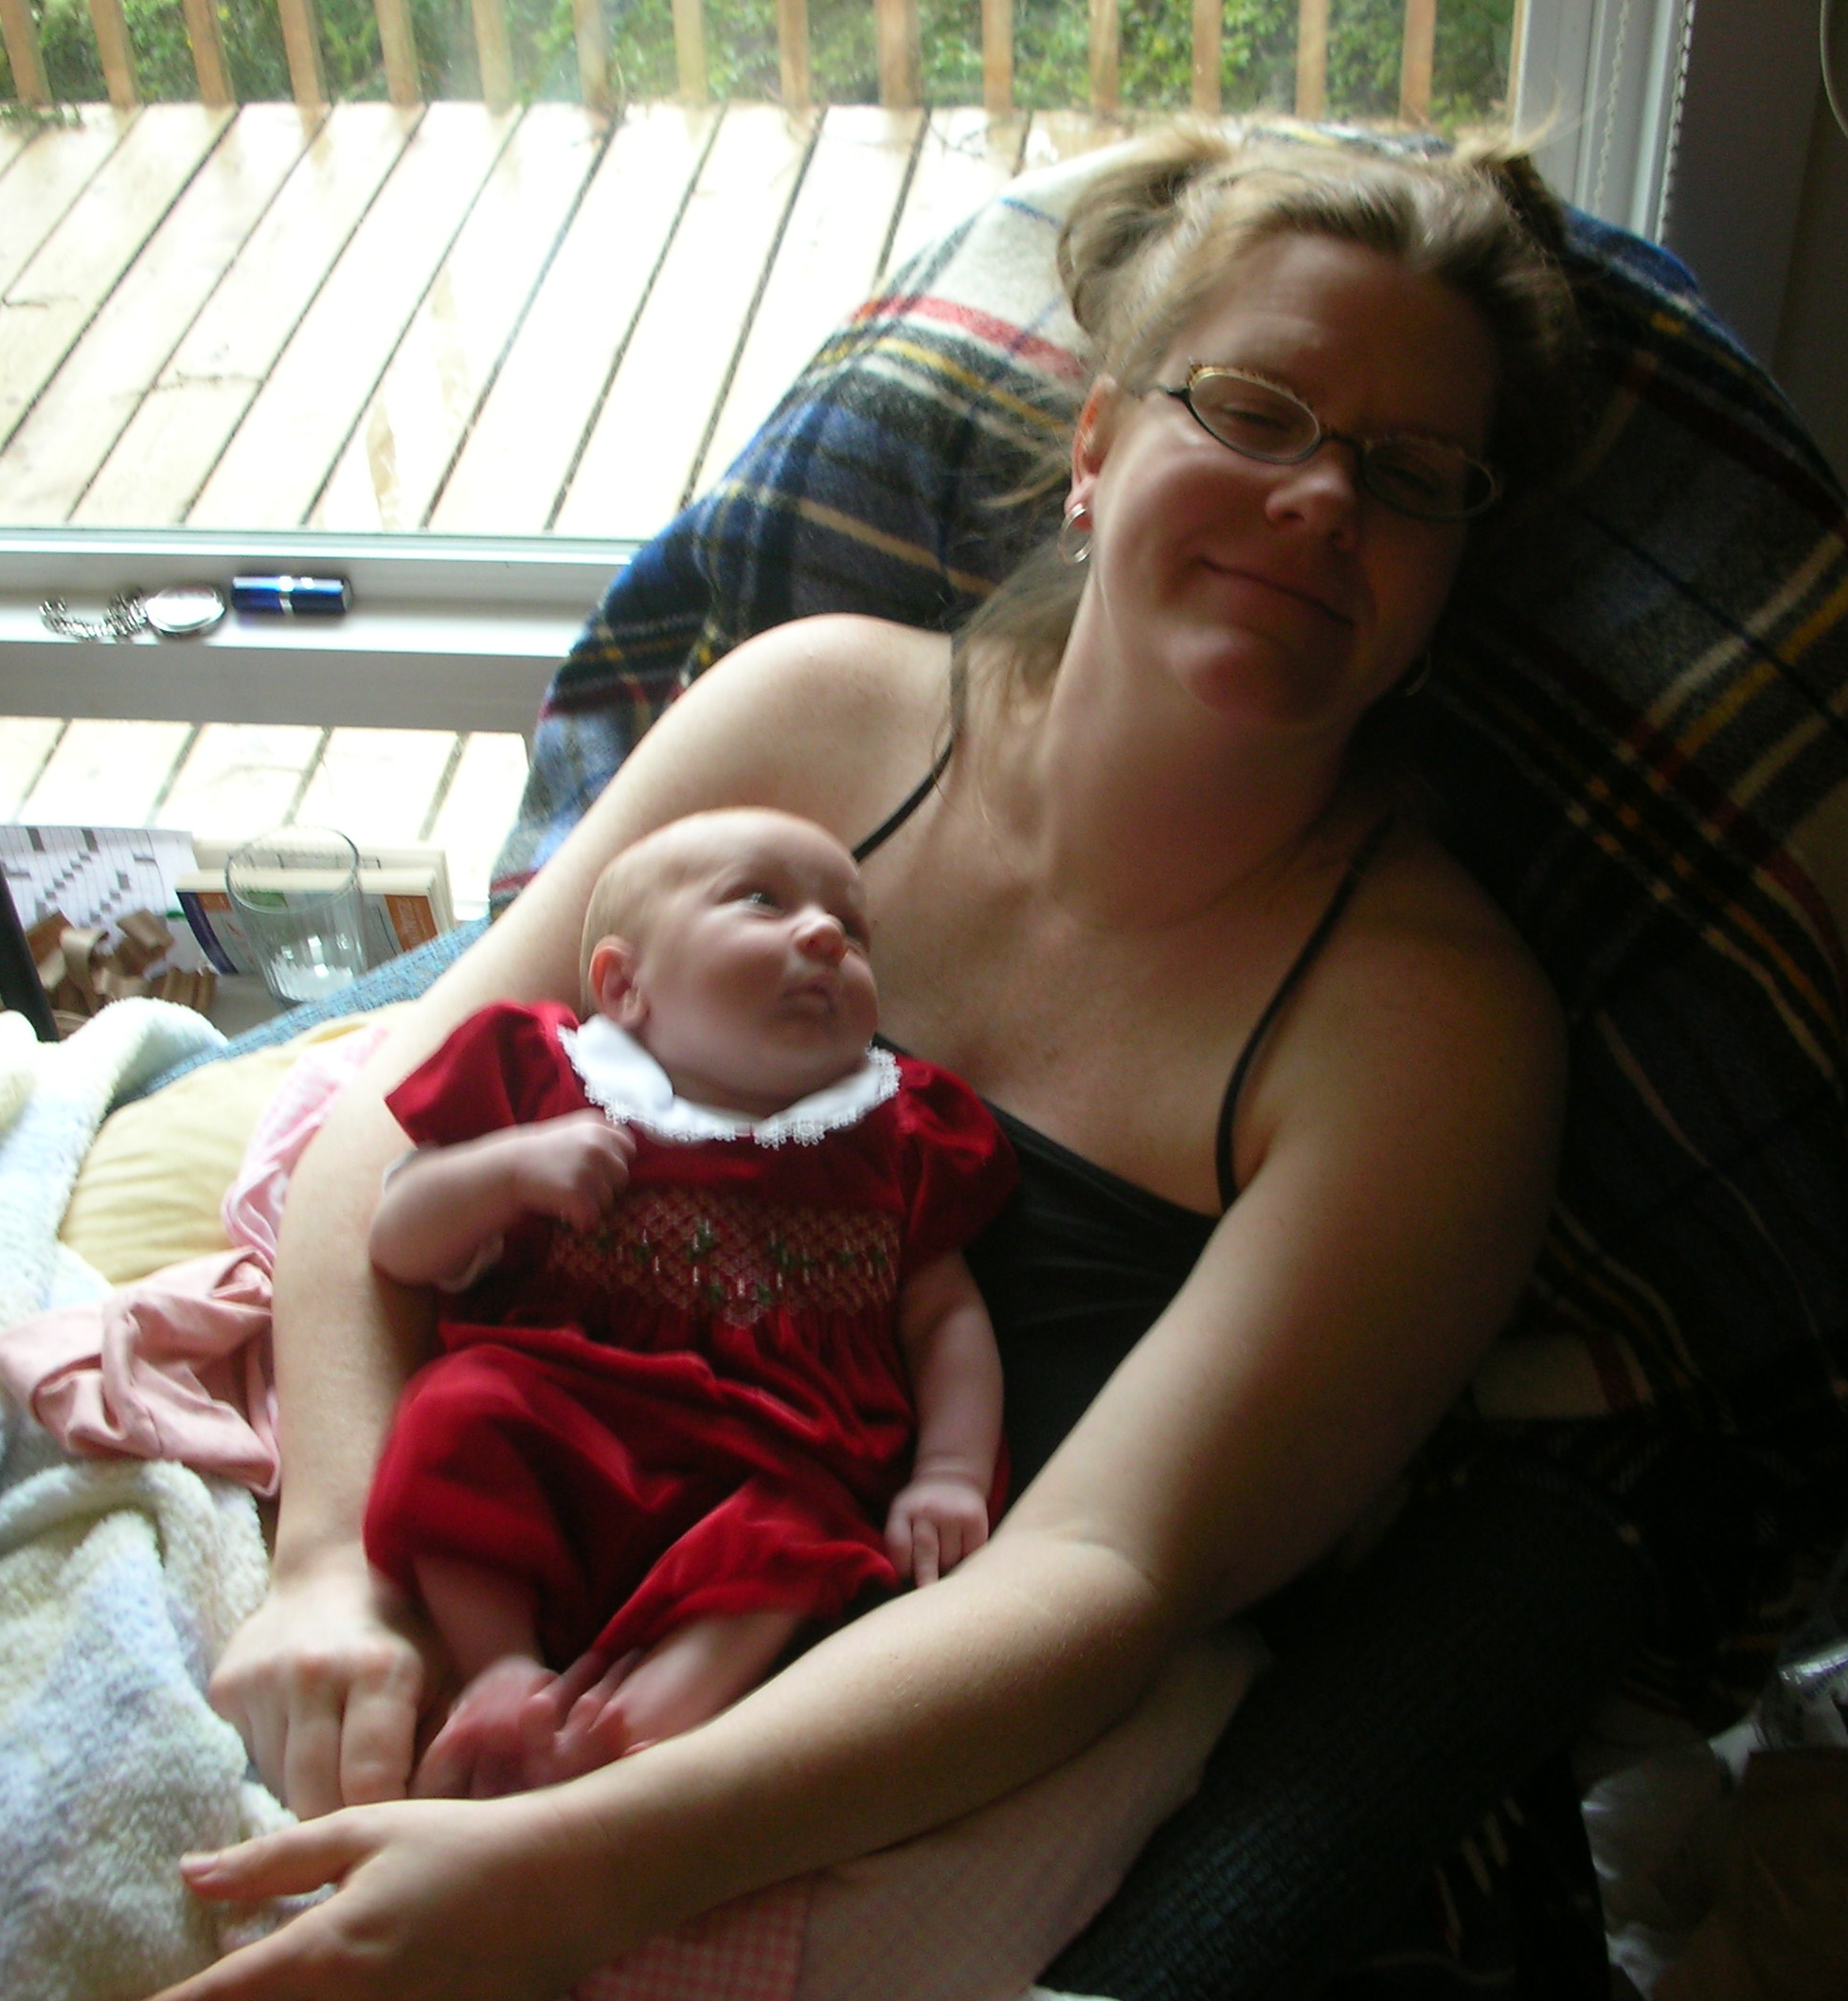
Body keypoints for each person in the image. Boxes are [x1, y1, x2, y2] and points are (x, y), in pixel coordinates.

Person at [158, 125, 1649, 2001]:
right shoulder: (817, 712)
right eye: (1255, 409)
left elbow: (1103, 1575)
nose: (1323, 501)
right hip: (447, 1513)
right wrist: (335, 1572)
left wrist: (568, 1873)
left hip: (812, 1753)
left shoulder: (1429, 1035)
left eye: (1412, 476)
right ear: (1095, 450)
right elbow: (401, 1125)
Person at [362, 807, 1016, 1800]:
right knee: (453, 1413)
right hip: (562, 1418)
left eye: (852, 929)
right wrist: (506, 1172)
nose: (826, 936)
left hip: (778, 1454)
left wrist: (951, 1474)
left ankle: (634, 1731)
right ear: (623, 987)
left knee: (796, 1543)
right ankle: (498, 1671)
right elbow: (398, 1242)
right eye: (761, 900)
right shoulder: (556, 1086)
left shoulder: (896, 1131)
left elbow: (946, 1320)